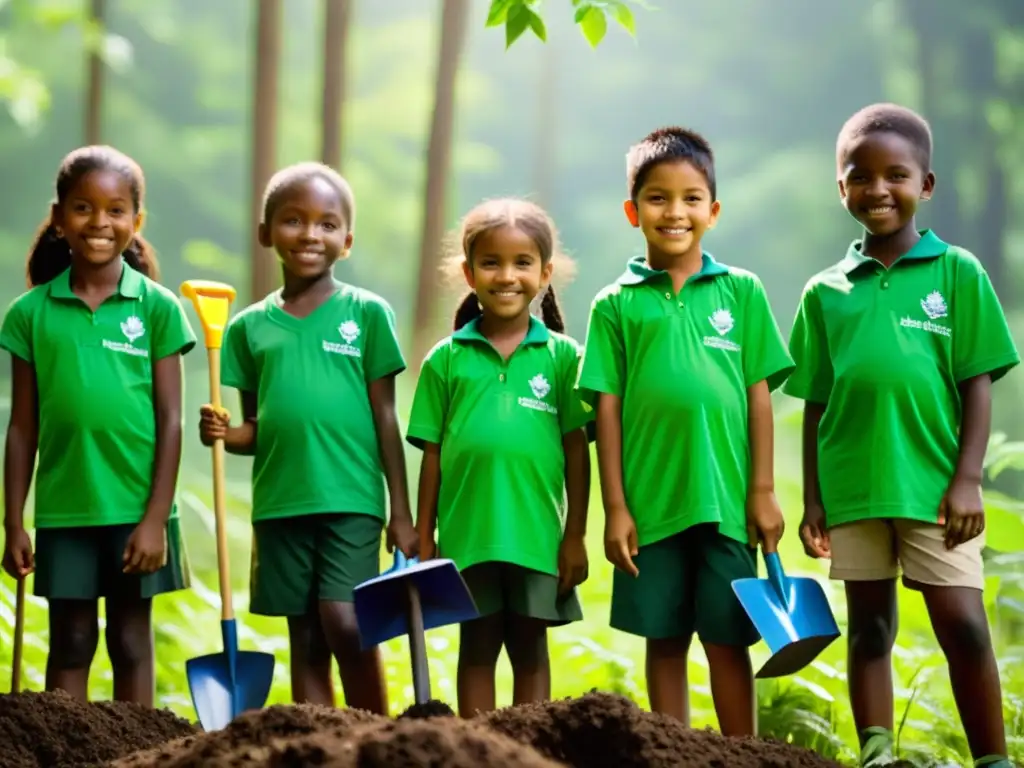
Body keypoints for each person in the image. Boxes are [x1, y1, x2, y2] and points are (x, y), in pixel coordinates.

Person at [785, 103, 1018, 768]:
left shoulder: (958, 273)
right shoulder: (824, 292)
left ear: (927, 185)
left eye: (897, 175)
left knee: (965, 626)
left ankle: (994, 760)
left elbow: (977, 382)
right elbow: (817, 402)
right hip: (855, 486)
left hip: (936, 486)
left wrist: (968, 478)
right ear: (841, 188)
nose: (878, 189)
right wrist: (814, 500)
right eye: (860, 176)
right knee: (870, 630)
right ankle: (878, 753)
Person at [576, 127, 794, 736]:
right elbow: (607, 411)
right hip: (651, 505)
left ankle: (740, 751)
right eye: (658, 198)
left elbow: (758, 399)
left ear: (713, 211)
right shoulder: (614, 304)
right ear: (632, 210)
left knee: (729, 637)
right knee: (664, 638)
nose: (675, 212)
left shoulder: (741, 291)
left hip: (726, 500)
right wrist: (615, 507)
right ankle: (674, 752)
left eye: (691, 198)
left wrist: (762, 490)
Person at [198, 162, 417, 714]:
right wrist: (226, 433)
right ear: (266, 232)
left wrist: (403, 512)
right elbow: (257, 430)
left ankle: (377, 733)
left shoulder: (366, 314)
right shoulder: (248, 328)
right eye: (293, 220)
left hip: (350, 498)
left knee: (344, 621)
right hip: (281, 501)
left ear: (347, 240)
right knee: (307, 637)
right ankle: (318, 744)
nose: (309, 235)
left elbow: (385, 418)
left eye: (326, 224)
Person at [0, 145, 196, 706]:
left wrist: (156, 518)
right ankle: (70, 749)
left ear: (137, 221)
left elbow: (172, 420)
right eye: (83, 208)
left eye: (116, 210)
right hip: (66, 509)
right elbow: (22, 429)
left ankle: (136, 754)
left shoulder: (157, 309)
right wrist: (14, 522)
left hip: (137, 512)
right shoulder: (29, 314)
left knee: (131, 640)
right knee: (71, 641)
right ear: (58, 217)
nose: (100, 222)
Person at [407, 197, 592, 718]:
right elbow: (432, 456)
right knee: (478, 650)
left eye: (522, 263)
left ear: (545, 272)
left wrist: (574, 534)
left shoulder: (563, 357)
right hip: (468, 538)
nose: (506, 275)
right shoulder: (446, 360)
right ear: (468, 272)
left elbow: (578, 454)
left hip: (538, 538)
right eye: (491, 262)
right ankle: (479, 750)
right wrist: (424, 535)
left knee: (531, 651)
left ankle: (526, 749)